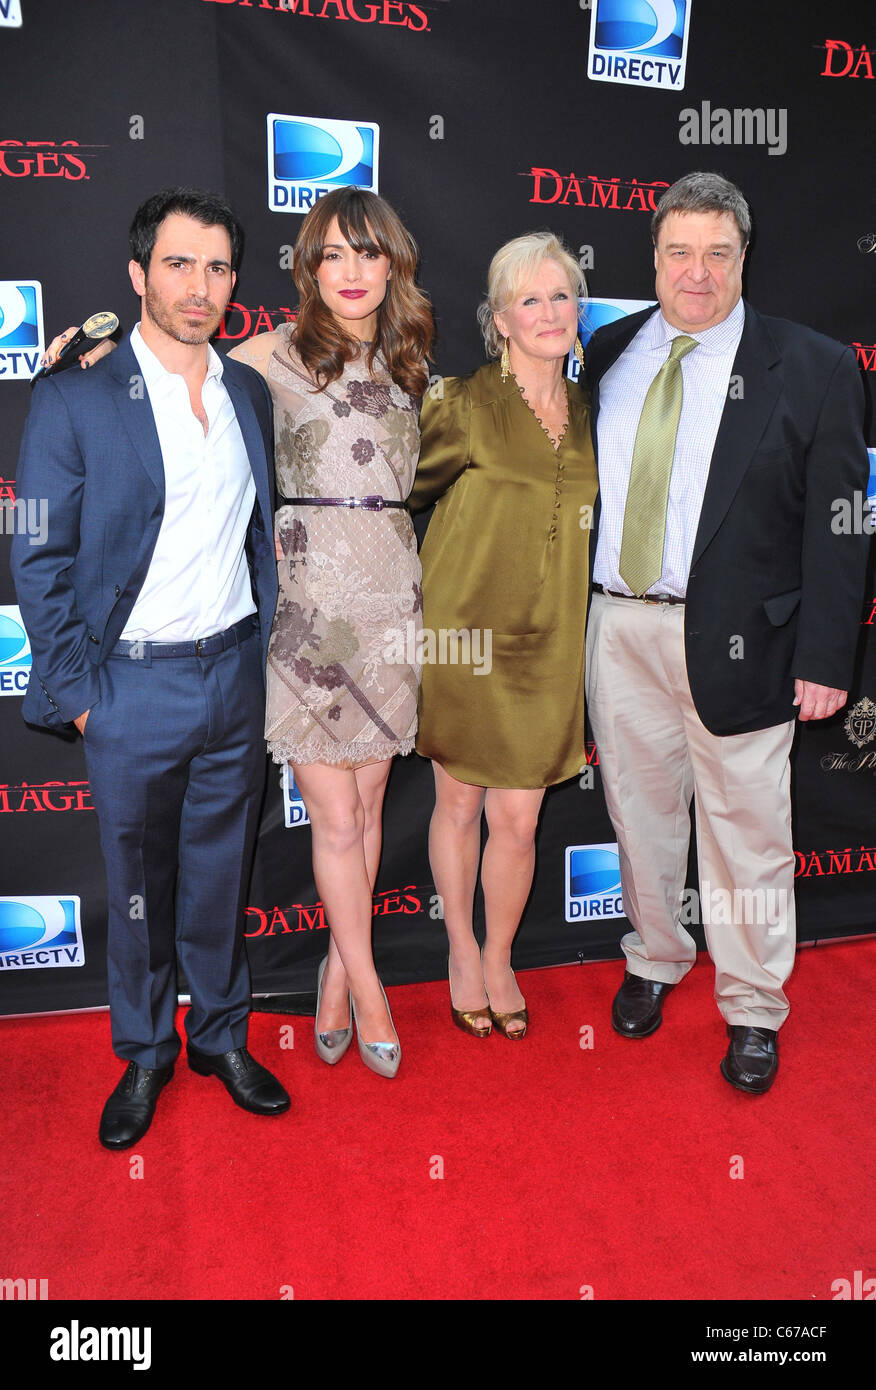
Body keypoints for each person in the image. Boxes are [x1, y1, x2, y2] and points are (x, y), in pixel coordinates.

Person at [12, 188, 290, 1149]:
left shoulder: (246, 390)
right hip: (128, 688)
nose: (200, 286)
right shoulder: (77, 393)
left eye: (217, 268)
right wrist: (83, 695)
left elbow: (260, 535)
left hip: (232, 677)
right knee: (137, 886)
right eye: (179, 265)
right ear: (138, 276)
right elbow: (39, 555)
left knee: (220, 879)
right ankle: (144, 1053)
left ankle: (218, 1036)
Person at [584, 171, 871, 1093]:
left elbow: (840, 523)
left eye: (718, 254)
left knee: (747, 833)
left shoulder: (817, 365)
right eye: (679, 252)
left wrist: (828, 656)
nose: (697, 273)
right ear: (654, 258)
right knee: (639, 811)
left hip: (750, 638)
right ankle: (656, 955)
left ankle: (752, 1003)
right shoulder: (612, 350)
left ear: (745, 258)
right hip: (620, 629)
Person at [229, 187, 434, 1079]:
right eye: (332, 256)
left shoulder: (409, 359)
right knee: (337, 816)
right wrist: (99, 344)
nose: (351, 273)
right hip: (310, 605)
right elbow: (173, 367)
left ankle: (334, 975)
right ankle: (370, 982)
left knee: (371, 806)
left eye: (368, 254)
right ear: (309, 269)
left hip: (393, 600)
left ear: (393, 264)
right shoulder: (270, 355)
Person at [409, 232, 597, 1039]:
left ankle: (500, 955)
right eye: (531, 300)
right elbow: (391, 495)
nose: (549, 312)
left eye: (562, 296)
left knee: (519, 821)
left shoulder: (595, 411)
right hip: (465, 639)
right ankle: (459, 951)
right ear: (500, 318)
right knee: (459, 805)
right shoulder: (460, 403)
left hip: (552, 643)